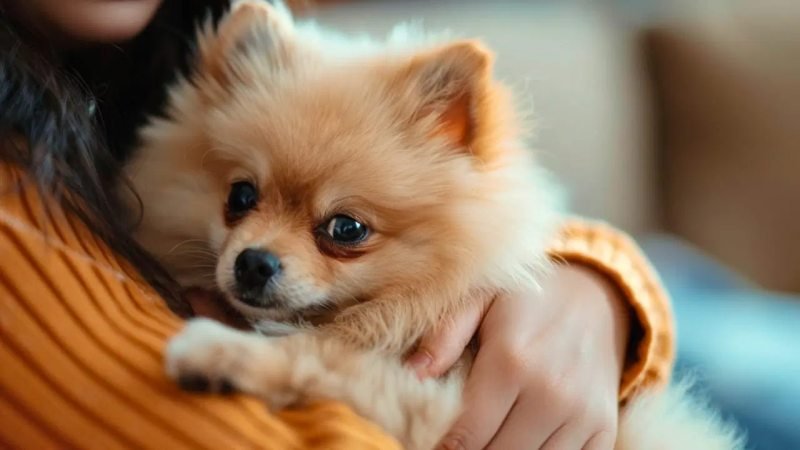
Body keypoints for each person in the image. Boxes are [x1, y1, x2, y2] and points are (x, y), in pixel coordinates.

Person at [0, 0, 674, 448]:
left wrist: (598, 282)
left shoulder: (133, 78)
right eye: (243, 198)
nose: (260, 251)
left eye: (343, 230)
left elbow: (504, 226)